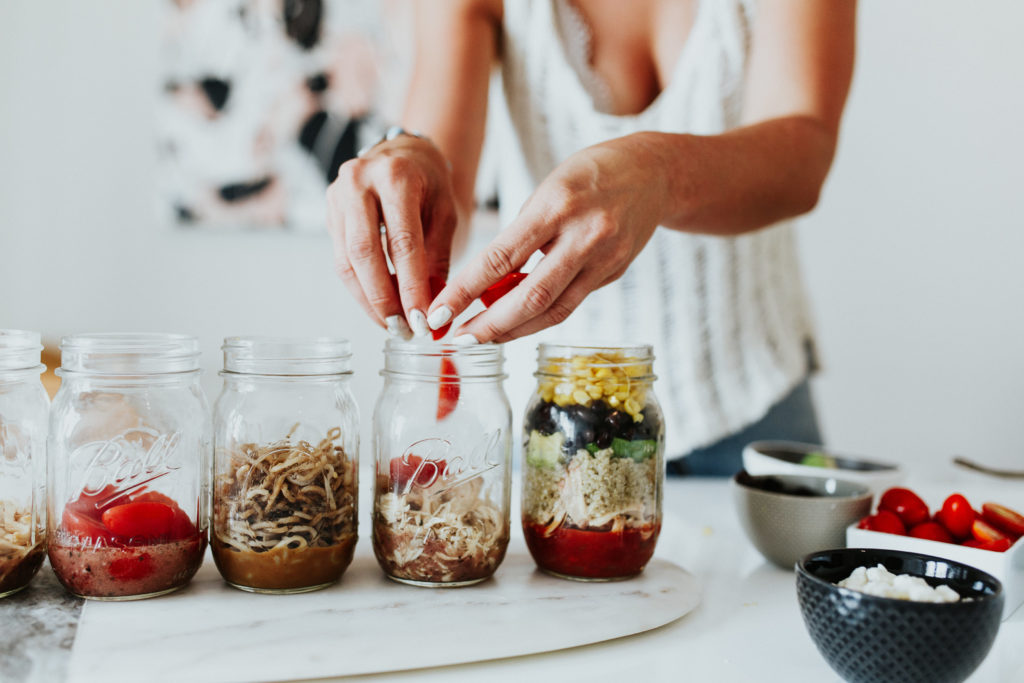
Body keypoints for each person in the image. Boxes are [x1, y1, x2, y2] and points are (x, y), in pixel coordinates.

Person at [326, 0, 856, 475]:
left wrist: (659, 170)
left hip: (754, 396)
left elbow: (803, 154)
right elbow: (444, 188)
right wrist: (405, 160)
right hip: (555, 425)